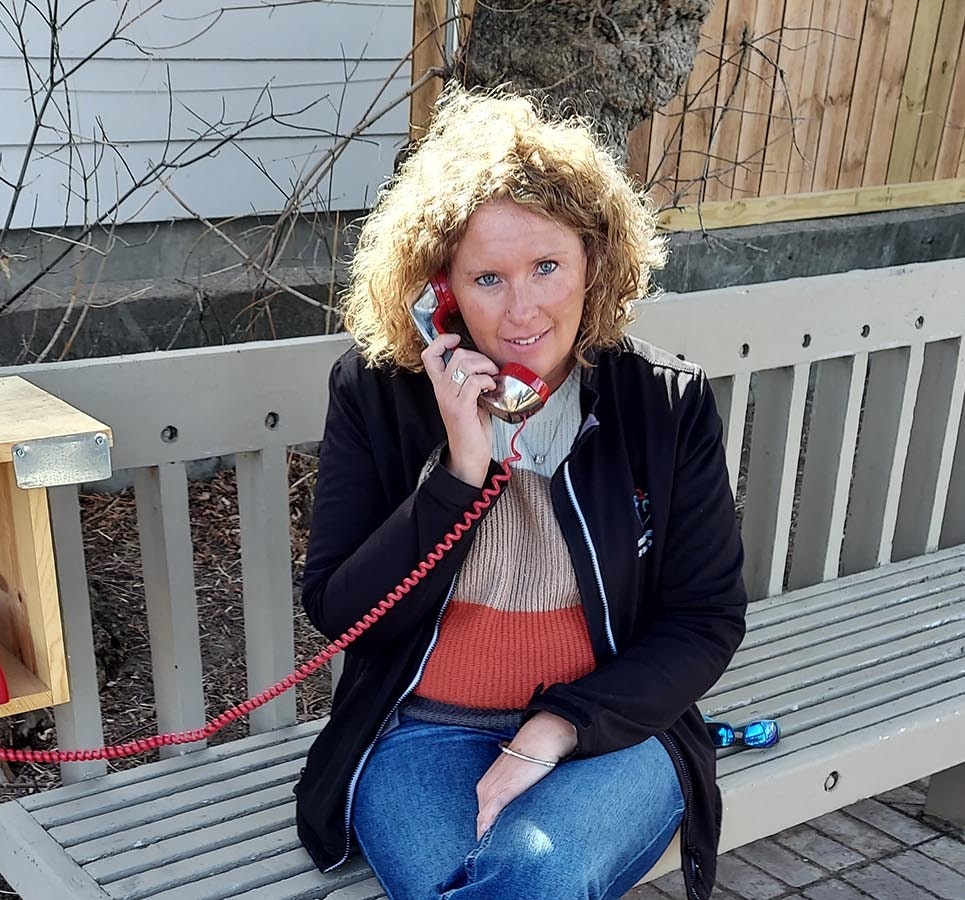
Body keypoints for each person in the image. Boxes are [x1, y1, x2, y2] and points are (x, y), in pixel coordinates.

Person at [293, 88, 749, 900]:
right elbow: (342, 610)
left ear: (594, 262)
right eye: (487, 278)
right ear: (439, 292)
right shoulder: (377, 392)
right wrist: (460, 473)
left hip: (608, 728)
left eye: (547, 266)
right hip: (420, 728)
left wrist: (557, 727)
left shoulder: (663, 403)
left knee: (535, 873)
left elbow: (704, 617)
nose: (523, 310)